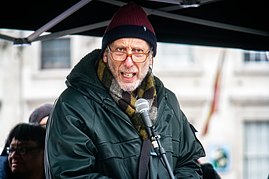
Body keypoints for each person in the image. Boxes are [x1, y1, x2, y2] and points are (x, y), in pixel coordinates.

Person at [45, 2, 205, 178]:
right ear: (105, 55)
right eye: (120, 50)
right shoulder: (73, 105)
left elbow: (188, 162)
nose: (129, 62)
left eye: (138, 52)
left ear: (150, 58)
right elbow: (69, 174)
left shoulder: (169, 102)